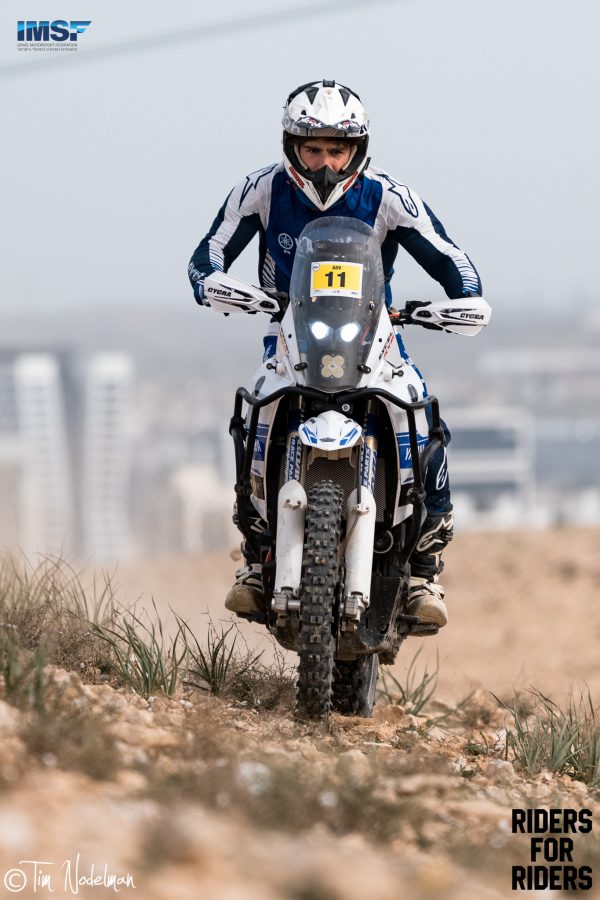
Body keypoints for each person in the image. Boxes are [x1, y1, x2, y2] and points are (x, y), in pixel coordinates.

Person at [188, 79, 482, 632]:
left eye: (337, 150)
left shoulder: (388, 196)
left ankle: (424, 567)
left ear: (357, 149)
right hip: (288, 332)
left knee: (420, 410)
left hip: (374, 334)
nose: (325, 163)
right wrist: (214, 285)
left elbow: (451, 259)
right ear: (292, 146)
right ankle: (255, 553)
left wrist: (463, 299)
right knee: (255, 409)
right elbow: (208, 253)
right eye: (313, 149)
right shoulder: (260, 189)